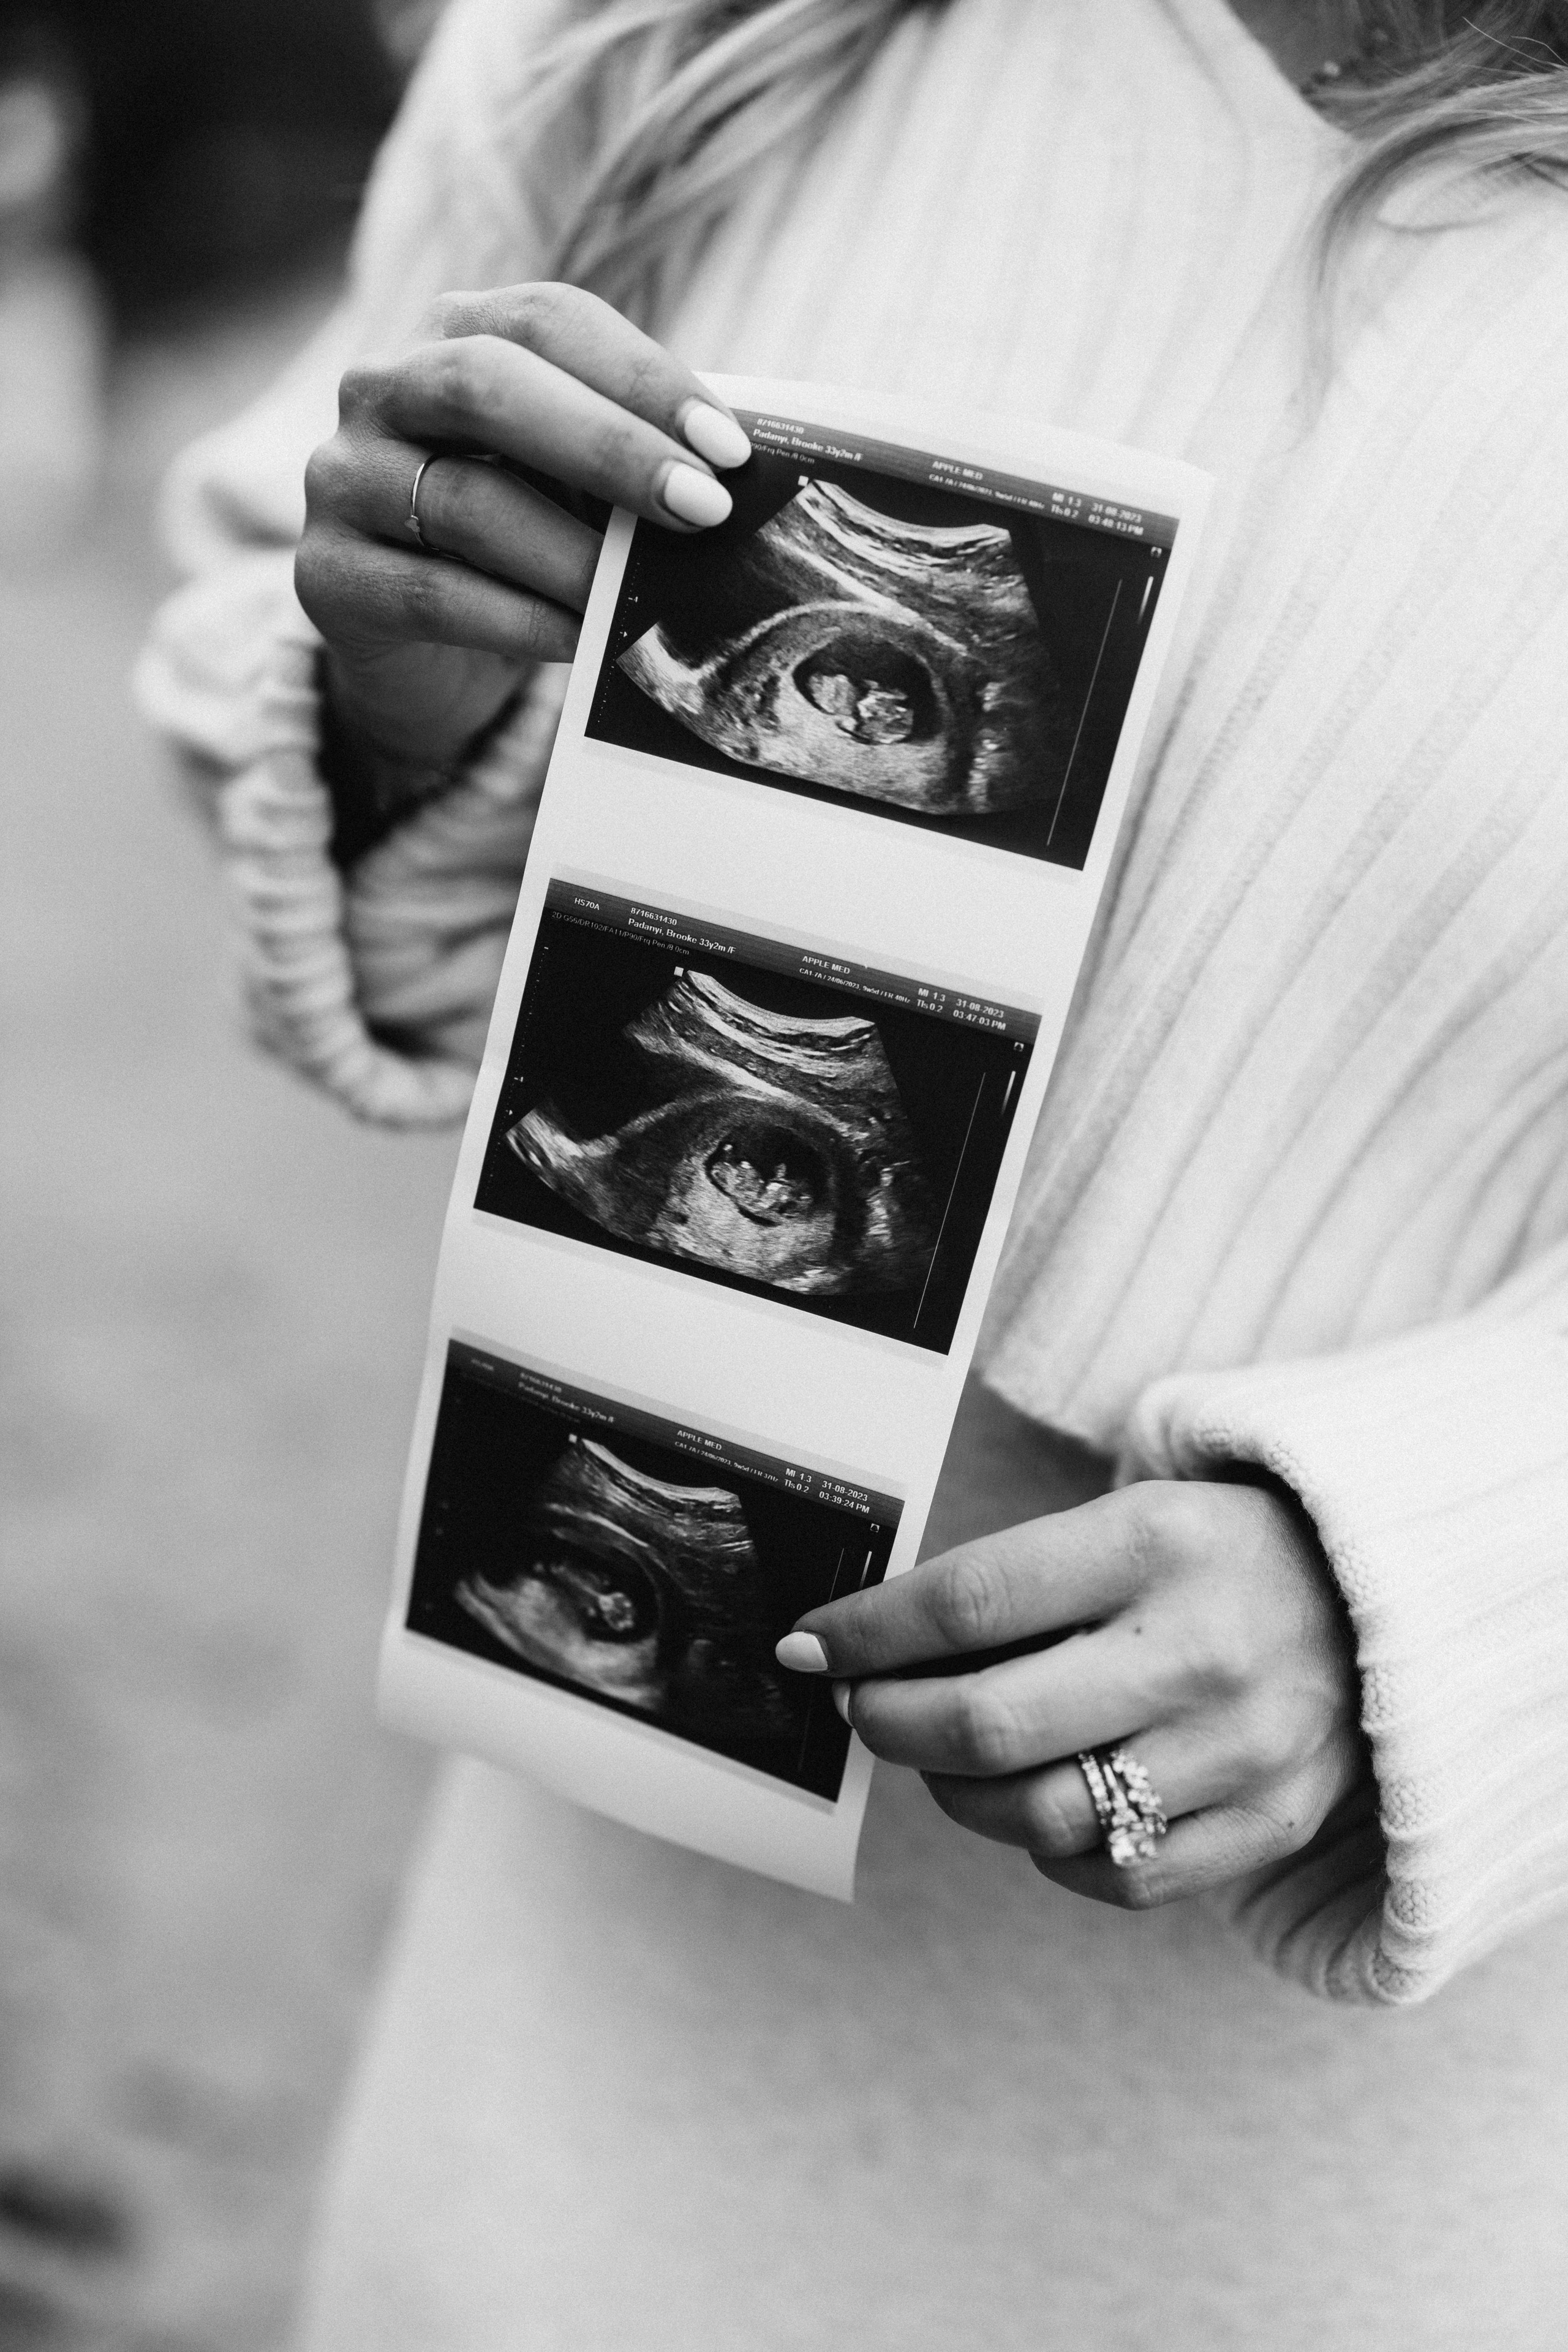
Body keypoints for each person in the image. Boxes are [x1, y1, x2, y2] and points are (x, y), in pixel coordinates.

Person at [134, 1, 1568, 2343]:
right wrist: (427, 692)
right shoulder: (676, 32)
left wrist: (1458, 1576)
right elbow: (268, 604)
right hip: (568, 2070)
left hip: (1373, 2178)